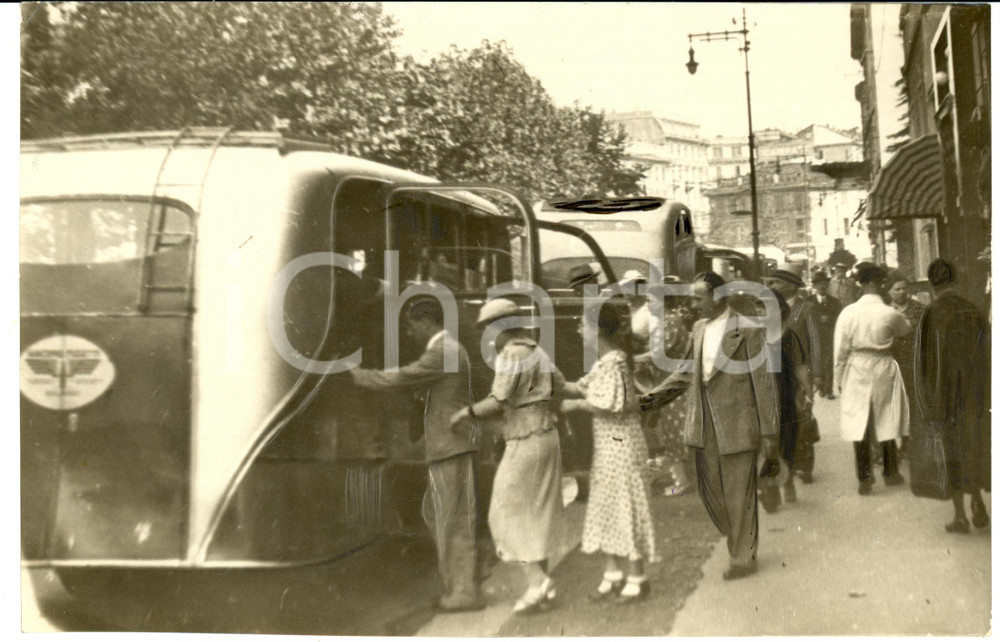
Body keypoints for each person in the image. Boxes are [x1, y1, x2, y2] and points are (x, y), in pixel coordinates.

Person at [349, 298, 484, 612]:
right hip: (456, 443)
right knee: (451, 516)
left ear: (426, 322)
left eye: (411, 326)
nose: (410, 333)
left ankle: (462, 591)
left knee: (445, 518)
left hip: (448, 446)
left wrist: (360, 376)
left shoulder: (442, 351)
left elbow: (403, 376)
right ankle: (464, 586)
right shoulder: (453, 349)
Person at [641, 272, 779, 581]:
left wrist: (769, 431)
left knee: (738, 492)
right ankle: (740, 538)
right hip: (705, 424)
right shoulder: (698, 329)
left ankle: (742, 557)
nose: (693, 304)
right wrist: (648, 400)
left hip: (738, 423)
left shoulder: (748, 330)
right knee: (713, 492)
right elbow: (683, 373)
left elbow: (763, 383)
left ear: (717, 296)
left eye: (698, 297)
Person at [450, 298, 566, 614]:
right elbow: (561, 386)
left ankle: (538, 581)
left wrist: (465, 413)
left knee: (503, 514)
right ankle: (538, 590)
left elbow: (498, 400)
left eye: (488, 328)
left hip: (524, 439)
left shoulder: (511, 354)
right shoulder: (536, 351)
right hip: (547, 435)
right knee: (536, 512)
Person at [562, 301, 657, 603]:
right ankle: (613, 572)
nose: (579, 329)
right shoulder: (605, 363)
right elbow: (579, 387)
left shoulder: (615, 363)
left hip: (621, 445)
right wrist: (547, 379)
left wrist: (574, 405)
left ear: (598, 330)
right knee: (606, 503)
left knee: (625, 504)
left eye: (583, 324)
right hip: (609, 446)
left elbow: (609, 404)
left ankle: (637, 576)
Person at [914, 259, 991, 534]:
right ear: (955, 280)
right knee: (974, 445)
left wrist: (926, 402)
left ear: (932, 285)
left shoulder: (930, 314)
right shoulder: (973, 309)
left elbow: (923, 362)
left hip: (945, 396)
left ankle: (960, 516)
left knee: (951, 451)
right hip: (976, 394)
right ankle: (978, 501)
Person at [833, 264, 911, 496]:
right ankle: (890, 472)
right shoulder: (889, 313)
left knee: (860, 422)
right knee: (886, 418)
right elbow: (905, 329)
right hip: (883, 365)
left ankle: (865, 478)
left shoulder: (848, 313)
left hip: (857, 366)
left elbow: (840, 350)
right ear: (880, 284)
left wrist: (839, 379)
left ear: (861, 284)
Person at [626, 271, 692, 498]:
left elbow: (658, 354)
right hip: (667, 381)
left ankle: (682, 482)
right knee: (669, 430)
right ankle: (679, 479)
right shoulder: (665, 321)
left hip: (673, 383)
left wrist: (632, 360)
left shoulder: (670, 321)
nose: (648, 304)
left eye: (651, 300)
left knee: (673, 431)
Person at [764, 264, 819, 493]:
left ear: (790, 285)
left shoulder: (806, 308)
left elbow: (814, 342)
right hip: (773, 378)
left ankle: (804, 466)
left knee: (801, 420)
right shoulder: (769, 310)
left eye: (777, 282)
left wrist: (816, 375)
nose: (773, 286)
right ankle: (785, 476)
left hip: (798, 374)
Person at [885, 271, 925, 457]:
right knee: (894, 404)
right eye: (897, 289)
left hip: (913, 362)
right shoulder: (885, 311)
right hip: (892, 363)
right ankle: (896, 443)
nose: (901, 292)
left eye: (904, 288)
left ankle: (911, 443)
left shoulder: (919, 308)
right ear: (889, 291)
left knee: (913, 402)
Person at [808, 271, 842, 400]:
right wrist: (817, 320)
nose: (822, 286)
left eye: (824, 283)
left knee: (829, 361)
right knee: (817, 361)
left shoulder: (834, 302)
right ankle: (820, 386)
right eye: (819, 284)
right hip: (814, 336)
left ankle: (828, 390)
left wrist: (830, 319)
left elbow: (840, 318)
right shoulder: (808, 301)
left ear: (827, 285)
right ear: (814, 286)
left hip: (829, 336)